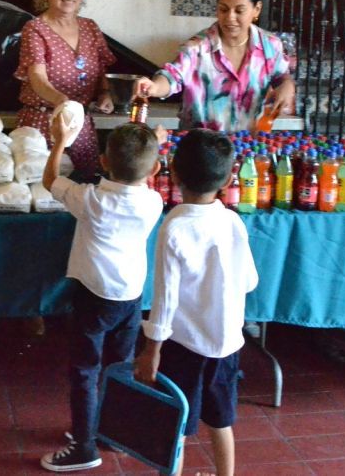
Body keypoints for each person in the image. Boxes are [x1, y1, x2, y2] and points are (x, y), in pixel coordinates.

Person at [39, 119, 163, 472]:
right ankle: (111, 433)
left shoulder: (91, 199)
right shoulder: (153, 201)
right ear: (155, 169)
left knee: (84, 370)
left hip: (94, 296)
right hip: (131, 296)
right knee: (118, 367)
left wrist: (60, 141)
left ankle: (84, 446)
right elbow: (139, 173)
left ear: (103, 162)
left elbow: (50, 180)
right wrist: (152, 147)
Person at [134, 129, 258, 476]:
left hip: (184, 346)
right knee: (221, 420)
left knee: (177, 424)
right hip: (227, 343)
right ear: (228, 180)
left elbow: (165, 299)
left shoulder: (174, 226)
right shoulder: (232, 220)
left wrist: (151, 351)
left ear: (172, 173)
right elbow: (250, 281)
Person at [133, 0, 295, 133]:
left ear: (256, 10)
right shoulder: (197, 47)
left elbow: (282, 77)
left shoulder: (270, 46)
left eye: (239, 11)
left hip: (249, 145)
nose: (230, 17)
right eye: (223, 9)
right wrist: (154, 87)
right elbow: (173, 76)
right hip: (201, 146)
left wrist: (287, 86)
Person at [15, 0, 116, 180]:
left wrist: (105, 93)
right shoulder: (35, 29)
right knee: (45, 191)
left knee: (83, 189)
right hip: (43, 125)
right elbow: (37, 77)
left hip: (82, 128)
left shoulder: (90, 28)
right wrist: (61, 100)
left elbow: (102, 70)